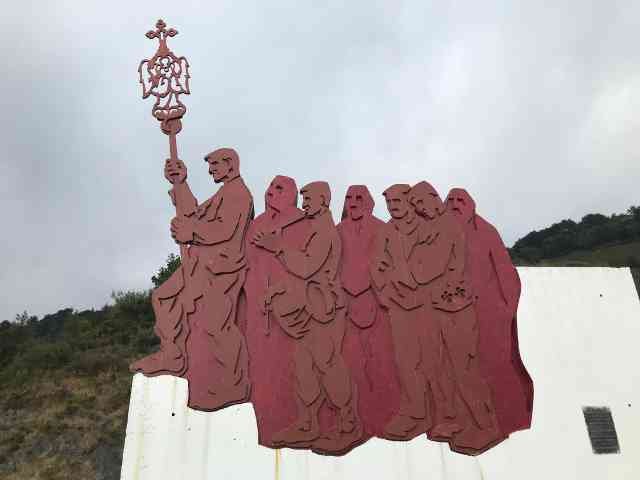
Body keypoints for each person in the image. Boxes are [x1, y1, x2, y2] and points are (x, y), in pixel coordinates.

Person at [130, 148, 253, 412]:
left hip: (222, 270)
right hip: (200, 266)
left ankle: (234, 383)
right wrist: (181, 182)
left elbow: (224, 230)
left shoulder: (239, 194)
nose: (210, 171)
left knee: (217, 325)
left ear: (230, 164)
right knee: (163, 297)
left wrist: (192, 231)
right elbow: (195, 215)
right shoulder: (224, 193)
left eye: (215, 165)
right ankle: (173, 356)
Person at [252, 181, 362, 455]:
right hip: (309, 309)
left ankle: (349, 423)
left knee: (327, 364)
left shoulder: (325, 233)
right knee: (304, 367)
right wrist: (277, 289)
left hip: (324, 310)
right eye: (303, 198)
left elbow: (307, 267)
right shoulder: (315, 231)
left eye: (309, 198)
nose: (304, 203)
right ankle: (309, 424)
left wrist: (277, 247)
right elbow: (303, 273)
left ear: (324, 200)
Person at [410, 181, 502, 454]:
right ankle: (454, 420)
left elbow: (426, 270)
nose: (419, 209)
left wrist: (415, 267)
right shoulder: (428, 228)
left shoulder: (448, 225)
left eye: (421, 203)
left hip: (456, 310)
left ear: (433, 197)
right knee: (439, 369)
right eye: (415, 206)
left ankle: (486, 425)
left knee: (464, 370)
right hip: (436, 310)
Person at [446, 188, 533, 437]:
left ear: (471, 205)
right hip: (455, 316)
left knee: (496, 366)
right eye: (449, 200)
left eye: (460, 200)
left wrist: (506, 310)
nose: (454, 205)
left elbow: (507, 275)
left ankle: (506, 421)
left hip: (488, 314)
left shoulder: (485, 232)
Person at [244, 175, 308, 448]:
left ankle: (302, 422)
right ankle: (267, 428)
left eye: (279, 188)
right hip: (259, 311)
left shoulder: (304, 223)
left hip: (293, 312)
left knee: (295, 368)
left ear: (292, 195)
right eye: (269, 186)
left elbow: (309, 265)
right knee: (261, 372)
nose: (270, 192)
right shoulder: (256, 225)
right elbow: (244, 263)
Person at [369, 184, 434, 440]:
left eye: (398, 201)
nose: (393, 206)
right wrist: (385, 293)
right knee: (406, 360)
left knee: (432, 358)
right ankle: (414, 411)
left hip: (427, 305)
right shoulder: (386, 232)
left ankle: (439, 411)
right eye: (389, 203)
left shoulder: (427, 227)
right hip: (398, 305)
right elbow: (376, 266)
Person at [337, 185, 401, 437]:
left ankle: (388, 411)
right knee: (351, 363)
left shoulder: (383, 229)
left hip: (377, 306)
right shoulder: (337, 230)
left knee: (382, 360)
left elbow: (393, 264)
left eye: (358, 198)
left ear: (369, 202)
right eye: (349, 198)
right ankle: (353, 417)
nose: (353, 202)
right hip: (346, 308)